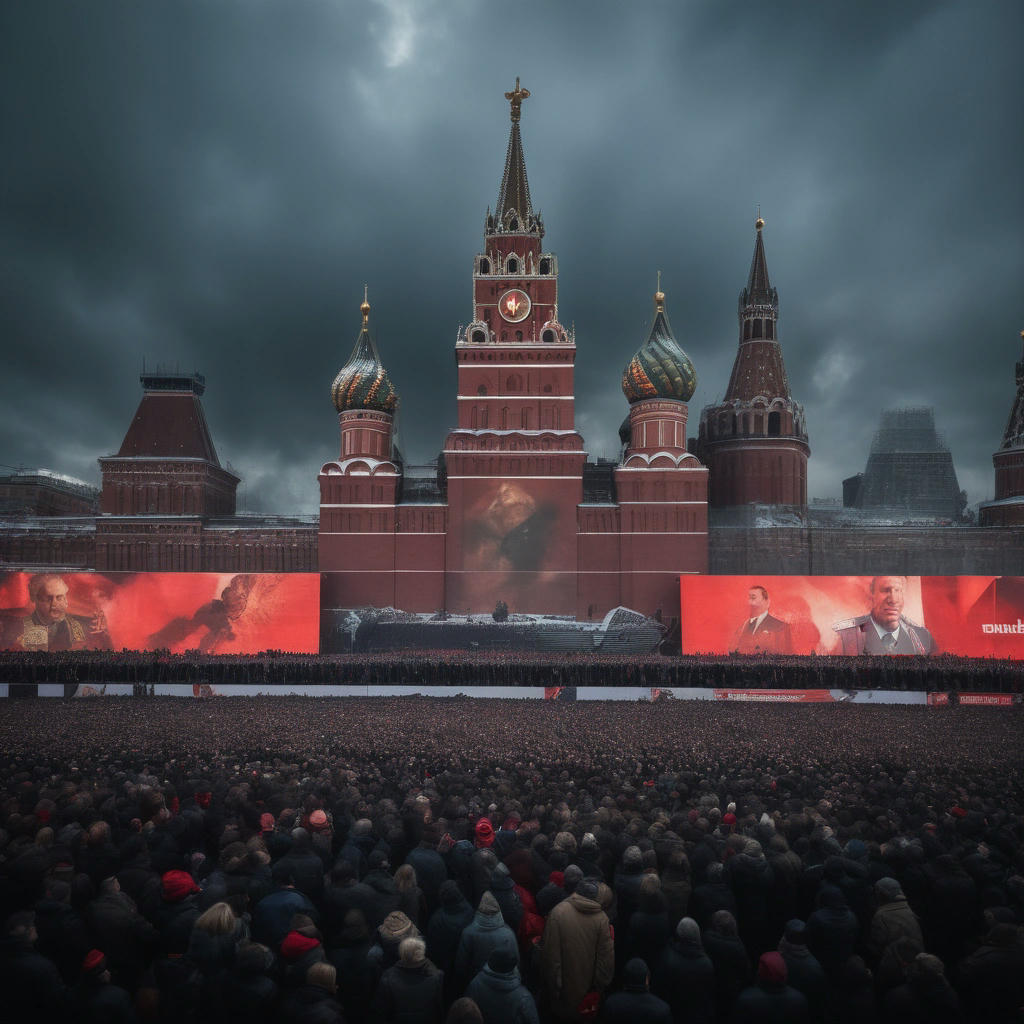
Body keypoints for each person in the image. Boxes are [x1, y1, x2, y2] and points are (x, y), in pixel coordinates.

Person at [3, 573, 111, 652]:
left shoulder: (87, 626)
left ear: (65, 599)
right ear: (34, 599)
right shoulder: (11, 626)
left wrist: (103, 636)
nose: (55, 604)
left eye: (59, 598)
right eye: (48, 598)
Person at [832, 576, 936, 655]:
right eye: (886, 590)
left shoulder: (922, 637)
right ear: (872, 595)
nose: (893, 600)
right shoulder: (845, 638)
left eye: (898, 590)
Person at [732, 586, 793, 655]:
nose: (749, 602)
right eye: (748, 598)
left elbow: (787, 655)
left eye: (753, 598)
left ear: (767, 602)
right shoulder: (741, 628)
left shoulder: (781, 627)